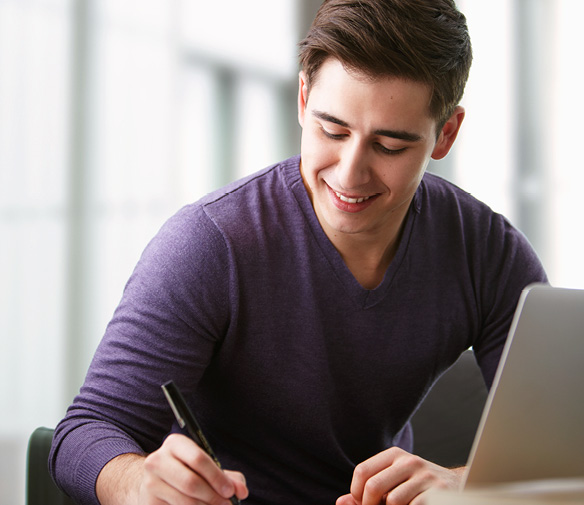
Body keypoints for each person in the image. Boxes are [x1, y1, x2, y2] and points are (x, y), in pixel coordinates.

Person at [50, 1, 547, 504]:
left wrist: (470, 481)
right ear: (304, 99)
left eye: (390, 146)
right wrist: (136, 483)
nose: (350, 174)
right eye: (332, 130)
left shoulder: (486, 252)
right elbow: (84, 433)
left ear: (446, 133)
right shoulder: (210, 244)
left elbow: (569, 437)